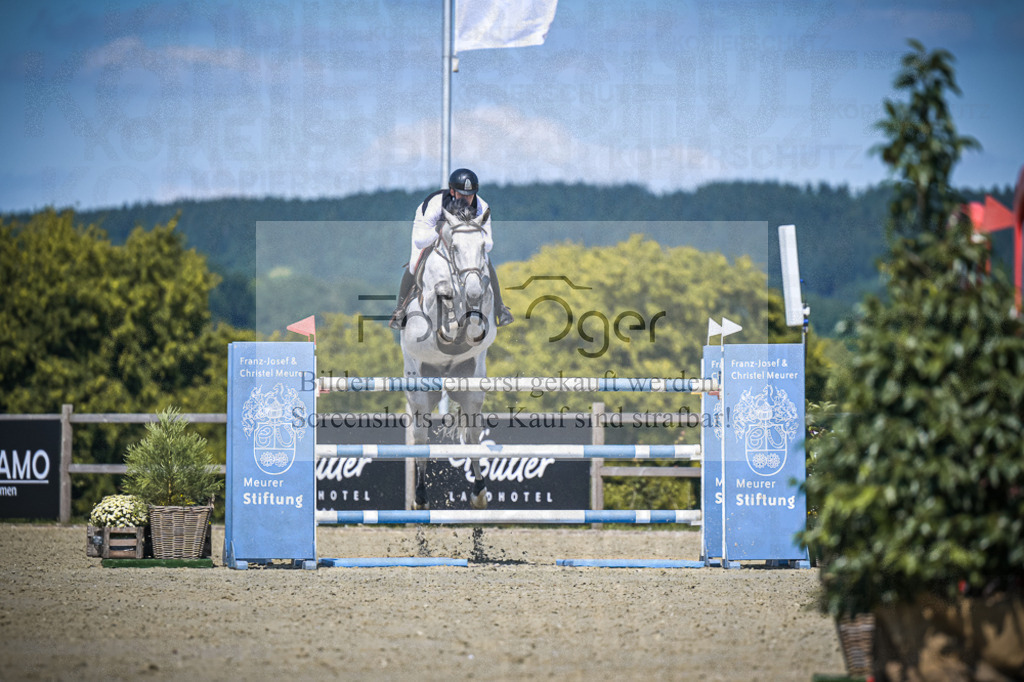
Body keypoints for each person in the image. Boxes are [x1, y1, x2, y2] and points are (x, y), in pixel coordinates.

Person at [389, 168, 514, 329]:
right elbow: (420, 241)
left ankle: (500, 308)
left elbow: (488, 244)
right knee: (414, 263)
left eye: (470, 195)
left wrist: (471, 236)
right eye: (463, 195)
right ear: (453, 192)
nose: (468, 199)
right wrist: (441, 231)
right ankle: (400, 310)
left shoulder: (482, 206)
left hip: (465, 241)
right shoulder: (434, 204)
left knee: (485, 259)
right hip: (429, 232)